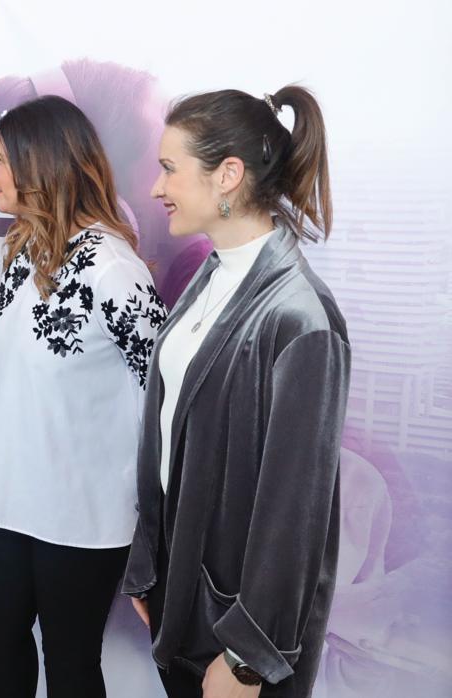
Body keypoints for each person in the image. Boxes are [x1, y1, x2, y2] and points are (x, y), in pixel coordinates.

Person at [123, 86, 350, 698]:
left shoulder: (300, 318)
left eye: (170, 169)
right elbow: (171, 434)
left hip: (235, 636)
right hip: (182, 601)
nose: (155, 188)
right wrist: (151, 571)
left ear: (227, 175)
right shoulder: (213, 274)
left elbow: (295, 511)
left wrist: (249, 656)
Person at [0, 96, 166, 698]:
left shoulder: (113, 268)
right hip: (19, 499)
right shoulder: (23, 250)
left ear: (39, 166)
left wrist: (154, 523)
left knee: (70, 661)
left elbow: (160, 395)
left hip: (84, 512)